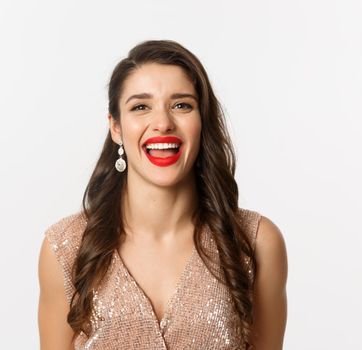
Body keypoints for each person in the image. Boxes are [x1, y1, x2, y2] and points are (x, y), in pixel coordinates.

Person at [38, 39, 288, 350]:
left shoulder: (256, 242)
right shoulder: (66, 247)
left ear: (202, 121)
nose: (163, 123)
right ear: (115, 127)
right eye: (140, 107)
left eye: (181, 105)